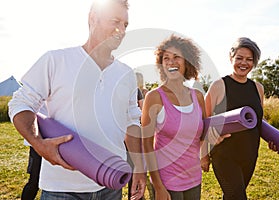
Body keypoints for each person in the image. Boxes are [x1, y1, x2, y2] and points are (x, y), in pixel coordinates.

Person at [8, 0, 146, 199]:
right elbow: (20, 103)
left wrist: (140, 167)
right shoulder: (56, 60)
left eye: (125, 24)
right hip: (62, 188)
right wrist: (38, 144)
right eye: (115, 21)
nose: (121, 30)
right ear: (92, 18)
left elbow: (132, 122)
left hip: (111, 186)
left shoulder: (126, 74)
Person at [141, 34, 229, 200]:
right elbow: (146, 144)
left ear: (187, 61)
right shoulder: (154, 97)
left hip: (194, 178)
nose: (171, 62)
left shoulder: (197, 96)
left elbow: (203, 132)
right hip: (166, 180)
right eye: (166, 58)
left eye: (176, 57)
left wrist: (214, 137)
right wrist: (158, 185)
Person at [204, 37, 277, 200]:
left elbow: (259, 121)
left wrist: (275, 140)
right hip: (224, 155)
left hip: (250, 154)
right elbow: (203, 121)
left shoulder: (258, 88)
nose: (244, 63)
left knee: (232, 196)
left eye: (249, 59)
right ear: (231, 58)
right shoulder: (218, 85)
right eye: (239, 58)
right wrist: (203, 154)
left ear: (254, 62)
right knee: (237, 197)